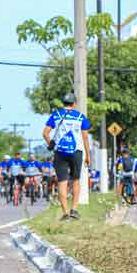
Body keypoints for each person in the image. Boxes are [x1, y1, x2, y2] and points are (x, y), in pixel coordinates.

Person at [42, 92, 91, 221]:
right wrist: (88, 155)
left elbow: (45, 133)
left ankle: (65, 213)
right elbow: (85, 137)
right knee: (75, 180)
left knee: (62, 182)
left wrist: (51, 145)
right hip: (77, 152)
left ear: (63, 103)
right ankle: (74, 210)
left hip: (60, 152)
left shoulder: (56, 115)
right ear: (74, 104)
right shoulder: (81, 117)